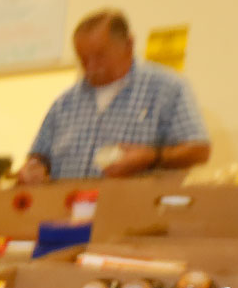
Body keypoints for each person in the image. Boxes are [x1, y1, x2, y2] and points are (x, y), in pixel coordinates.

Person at [19, 10, 210, 183]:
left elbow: (199, 151)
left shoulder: (168, 89)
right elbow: (39, 156)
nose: (91, 67)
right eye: (83, 59)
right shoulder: (64, 103)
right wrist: (34, 167)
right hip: (66, 214)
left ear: (129, 44)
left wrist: (151, 156)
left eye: (100, 56)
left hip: (134, 216)